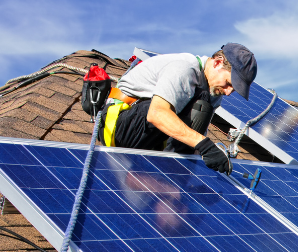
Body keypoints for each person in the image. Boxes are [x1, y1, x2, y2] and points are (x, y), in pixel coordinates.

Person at [100, 43, 257, 175]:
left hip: (149, 137)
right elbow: (157, 113)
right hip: (119, 126)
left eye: (233, 89)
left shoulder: (213, 92)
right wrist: (205, 146)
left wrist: (207, 171)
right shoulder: (185, 68)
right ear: (217, 62)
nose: (229, 92)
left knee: (202, 107)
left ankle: (171, 177)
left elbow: (196, 138)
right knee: (199, 105)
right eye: (229, 83)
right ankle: (168, 177)